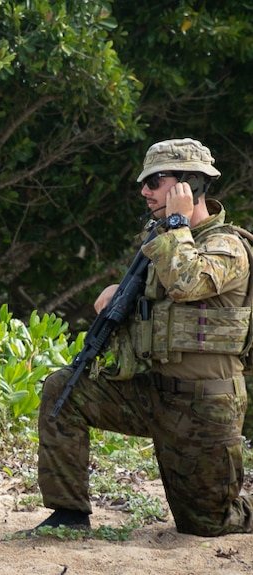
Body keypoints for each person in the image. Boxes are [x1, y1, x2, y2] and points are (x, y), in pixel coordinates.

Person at [32, 138, 253, 536]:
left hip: (203, 409)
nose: (145, 191)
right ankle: (68, 514)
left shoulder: (228, 246)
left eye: (156, 180)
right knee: (63, 389)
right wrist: (120, 295)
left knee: (205, 525)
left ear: (191, 185)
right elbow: (166, 304)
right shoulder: (165, 242)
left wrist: (177, 222)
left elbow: (187, 283)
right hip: (150, 393)